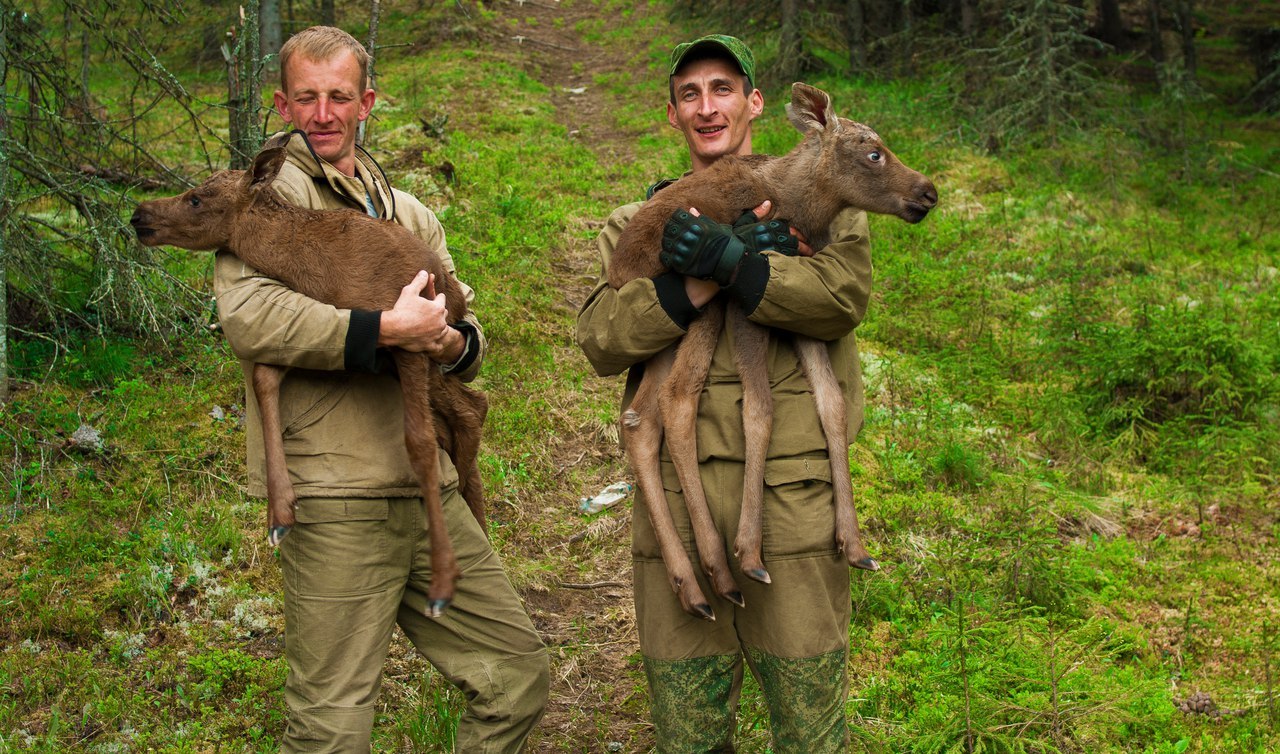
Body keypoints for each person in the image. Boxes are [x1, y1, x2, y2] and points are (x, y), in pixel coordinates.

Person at [213, 26, 549, 753]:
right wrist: (381, 330)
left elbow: (465, 328)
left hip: (426, 489)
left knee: (516, 674)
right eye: (306, 97)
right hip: (336, 497)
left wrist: (454, 342)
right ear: (282, 103)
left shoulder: (408, 213)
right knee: (331, 724)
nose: (323, 114)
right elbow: (251, 317)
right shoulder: (260, 201)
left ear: (367, 102)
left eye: (339, 97)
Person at [576, 34, 874, 753]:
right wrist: (693, 282)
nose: (707, 107)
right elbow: (602, 338)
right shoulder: (635, 221)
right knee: (691, 736)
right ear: (671, 114)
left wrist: (746, 264)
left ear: (753, 102)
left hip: (793, 509)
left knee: (810, 735)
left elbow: (842, 299)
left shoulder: (829, 205)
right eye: (689, 94)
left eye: (722, 89)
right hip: (679, 516)